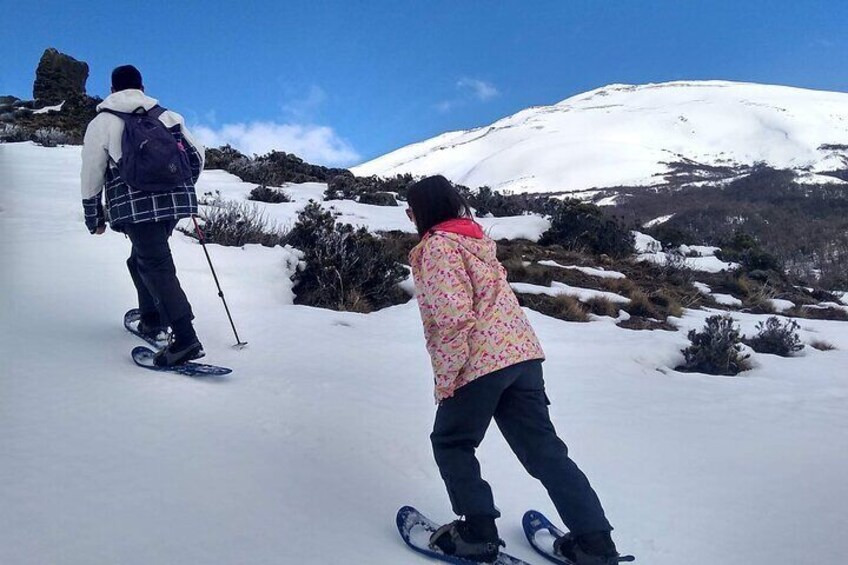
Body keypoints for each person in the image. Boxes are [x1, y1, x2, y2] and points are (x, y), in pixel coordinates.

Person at [406, 175, 624, 564]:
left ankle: (477, 534)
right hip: (522, 357)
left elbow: (453, 319)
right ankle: (595, 544)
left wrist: (448, 379)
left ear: (423, 210)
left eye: (411, 209)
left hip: (480, 362)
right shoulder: (475, 241)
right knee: (545, 452)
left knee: (452, 441)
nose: (409, 217)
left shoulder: (438, 247)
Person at [80, 65, 206, 366]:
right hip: (174, 202)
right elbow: (197, 155)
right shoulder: (166, 115)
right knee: (140, 260)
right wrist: (180, 188)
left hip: (136, 207)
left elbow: (91, 172)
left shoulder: (103, 121)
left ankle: (186, 339)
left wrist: (92, 215)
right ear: (142, 87)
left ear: (112, 90)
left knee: (156, 265)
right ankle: (152, 319)